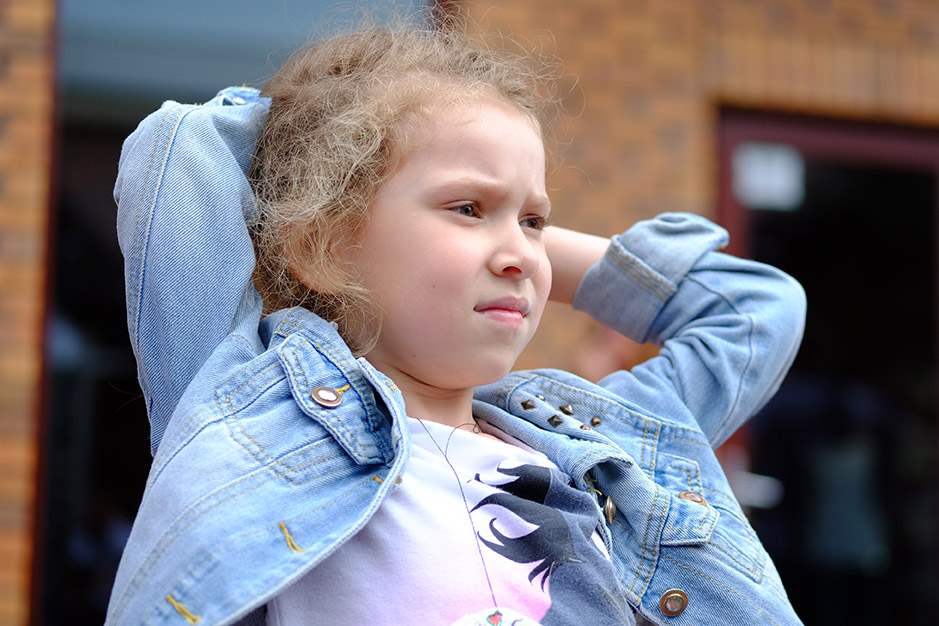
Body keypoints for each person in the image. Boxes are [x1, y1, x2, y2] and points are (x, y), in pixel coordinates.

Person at [106, 18, 806, 626]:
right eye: (467, 207)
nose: (520, 254)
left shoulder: (596, 438)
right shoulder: (243, 406)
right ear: (321, 244)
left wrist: (514, 242)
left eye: (535, 219)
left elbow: (749, 309)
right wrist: (319, 136)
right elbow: (176, 153)